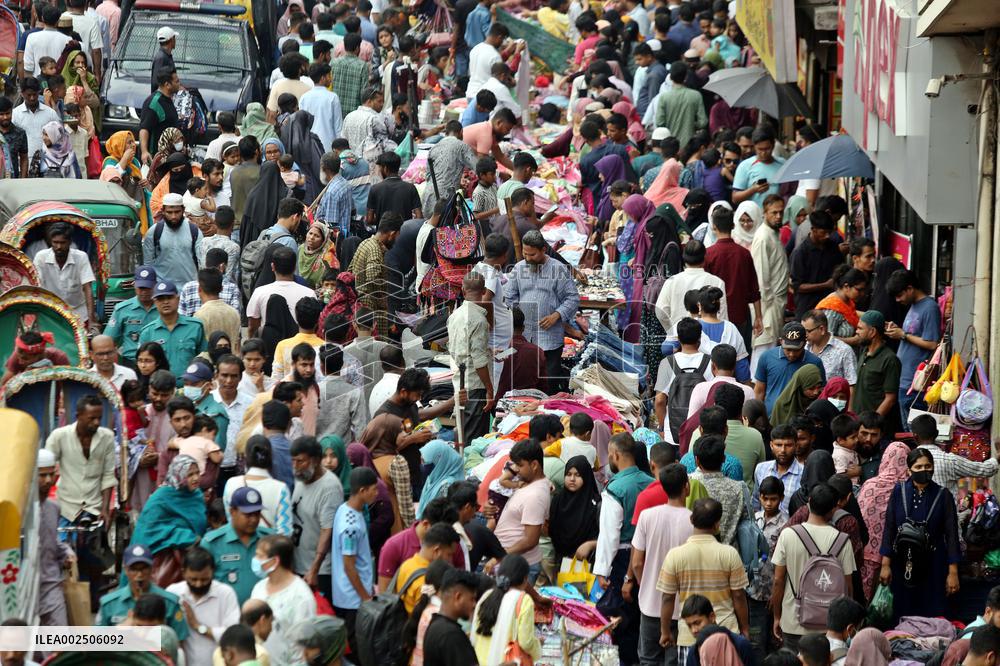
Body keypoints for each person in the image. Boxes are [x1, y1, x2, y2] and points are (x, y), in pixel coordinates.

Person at [657, 498, 749, 662]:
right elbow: (739, 596)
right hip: (726, 631)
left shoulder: (675, 555)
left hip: (689, 636)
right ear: (717, 524)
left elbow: (667, 597)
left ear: (691, 520)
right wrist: (744, 629)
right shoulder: (729, 554)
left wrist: (665, 631)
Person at [772, 483, 856, 652]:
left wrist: (777, 617)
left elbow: (778, 581)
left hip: (793, 620)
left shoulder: (788, 535)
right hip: (829, 626)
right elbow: (848, 587)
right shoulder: (842, 541)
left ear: (809, 502)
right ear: (834, 508)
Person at [630, 463, 693, 666]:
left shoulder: (647, 517)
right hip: (683, 607)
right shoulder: (694, 521)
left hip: (650, 604)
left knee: (648, 659)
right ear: (687, 486)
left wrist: (645, 584)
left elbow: (637, 562)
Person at [504, 230, 579, 393]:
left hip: (550, 338)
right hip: (525, 337)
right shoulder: (518, 268)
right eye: (525, 254)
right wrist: (519, 316)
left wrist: (556, 315)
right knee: (525, 380)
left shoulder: (558, 270)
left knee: (548, 382)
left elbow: (572, 298)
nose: (528, 259)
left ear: (544, 250)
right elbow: (509, 297)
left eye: (532, 255)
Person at [129, 455, 207, 587]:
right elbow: (149, 529)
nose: (195, 478)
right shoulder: (161, 498)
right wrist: (184, 536)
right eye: (190, 475)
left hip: (193, 557)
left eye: (197, 473)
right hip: (162, 558)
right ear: (179, 476)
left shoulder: (196, 495)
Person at [45, 395, 115, 533]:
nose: (96, 422)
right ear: (78, 416)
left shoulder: (107, 437)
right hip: (66, 507)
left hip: (94, 508)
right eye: (91, 418)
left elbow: (108, 476)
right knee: (62, 549)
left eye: (99, 418)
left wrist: (105, 510)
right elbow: (45, 469)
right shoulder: (59, 436)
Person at [331, 467, 379, 653]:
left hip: (355, 593)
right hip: (352, 597)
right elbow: (349, 565)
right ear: (362, 491)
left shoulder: (346, 509)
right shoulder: (349, 525)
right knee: (358, 648)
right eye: (374, 489)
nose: (376, 493)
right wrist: (365, 597)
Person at [165, 547, 240, 666]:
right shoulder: (173, 593)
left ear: (213, 572)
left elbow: (234, 635)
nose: (198, 584)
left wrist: (198, 627)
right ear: (183, 572)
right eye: (193, 579)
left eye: (204, 579)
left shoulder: (225, 593)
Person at [96, 544, 189, 640]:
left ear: (152, 568)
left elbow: (179, 641)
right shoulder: (110, 603)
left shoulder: (169, 602)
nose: (139, 574)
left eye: (144, 568)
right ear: (126, 570)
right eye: (134, 569)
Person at [885, 269, 941, 424]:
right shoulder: (913, 305)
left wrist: (903, 335)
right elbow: (913, 335)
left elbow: (932, 344)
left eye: (899, 295)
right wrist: (898, 331)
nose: (897, 300)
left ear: (910, 288)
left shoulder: (929, 307)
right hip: (904, 380)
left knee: (914, 431)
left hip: (916, 383)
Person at [250, 535, 317, 664]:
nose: (255, 560)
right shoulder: (259, 588)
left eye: (260, 556)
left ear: (275, 561)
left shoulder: (301, 596)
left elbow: (304, 644)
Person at [290, 435, 343, 595]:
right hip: (298, 564)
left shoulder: (329, 488)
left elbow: (328, 529)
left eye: (300, 461)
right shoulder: (302, 477)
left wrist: (314, 568)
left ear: (315, 460)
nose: (295, 466)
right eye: (293, 461)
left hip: (318, 571)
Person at [491, 439, 550, 580]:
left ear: (534, 465)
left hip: (519, 567)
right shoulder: (528, 485)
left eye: (520, 465)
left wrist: (500, 556)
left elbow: (530, 540)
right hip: (512, 563)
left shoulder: (535, 495)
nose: (516, 470)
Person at [910, 413, 1000, 504]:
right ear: (937, 433)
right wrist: (997, 457)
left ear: (915, 436)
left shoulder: (909, 463)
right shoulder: (949, 460)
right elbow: (985, 469)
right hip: (948, 515)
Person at [447, 272, 493, 442]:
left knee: (463, 432)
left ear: (463, 291)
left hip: (459, 381)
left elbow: (459, 348)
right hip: (474, 384)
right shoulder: (479, 320)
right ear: (484, 291)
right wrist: (489, 389)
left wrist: (488, 351)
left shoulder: (454, 316)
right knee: (474, 439)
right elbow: (479, 361)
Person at [470, 555, 542, 664]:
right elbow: (526, 642)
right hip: (505, 662)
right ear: (525, 579)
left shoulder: (487, 595)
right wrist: (538, 648)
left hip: (480, 660)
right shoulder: (523, 600)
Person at [223, 436, 292, 537]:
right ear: (271, 457)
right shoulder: (281, 489)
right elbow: (285, 532)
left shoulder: (231, 483)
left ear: (246, 456)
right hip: (270, 549)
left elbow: (231, 521)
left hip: (238, 546)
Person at [750, 194, 791, 364]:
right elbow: (761, 277)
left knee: (772, 346)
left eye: (781, 212)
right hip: (769, 304)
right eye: (774, 213)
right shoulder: (763, 237)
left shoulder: (773, 234)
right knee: (764, 348)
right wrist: (763, 311)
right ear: (765, 213)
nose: (778, 216)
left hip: (777, 302)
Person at [35, 448, 73, 626]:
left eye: (51, 474)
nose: (48, 480)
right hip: (24, 588)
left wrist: (66, 552)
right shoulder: (18, 512)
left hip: (51, 585)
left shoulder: (53, 508)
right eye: (42, 475)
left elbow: (52, 541)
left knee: (59, 643)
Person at [348, 214, 402, 339]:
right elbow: (373, 279)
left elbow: (350, 270)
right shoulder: (375, 250)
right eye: (398, 235)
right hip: (370, 311)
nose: (397, 239)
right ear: (392, 234)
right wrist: (382, 304)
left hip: (361, 309)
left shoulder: (365, 243)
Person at [754, 322, 825, 416]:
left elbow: (821, 393)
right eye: (788, 349)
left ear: (804, 343)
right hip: (771, 419)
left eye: (796, 350)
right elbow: (759, 391)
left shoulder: (815, 363)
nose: (792, 354)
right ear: (780, 341)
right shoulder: (766, 357)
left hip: (800, 421)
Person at [690, 435, 748, 546]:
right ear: (724, 459)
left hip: (696, 554)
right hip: (730, 555)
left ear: (697, 461)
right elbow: (747, 521)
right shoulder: (739, 488)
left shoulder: (688, 483)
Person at [246, 247, 316, 338]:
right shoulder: (309, 293)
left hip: (269, 346)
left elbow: (252, 326)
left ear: (272, 267)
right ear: (294, 267)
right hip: (299, 348)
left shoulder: (260, 292)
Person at [395, 523, 461, 615]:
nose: (450, 560)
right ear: (437, 550)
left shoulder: (407, 564)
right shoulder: (427, 582)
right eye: (449, 554)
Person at [851, 311, 902, 428]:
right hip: (857, 423)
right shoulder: (864, 352)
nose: (856, 332)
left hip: (874, 429)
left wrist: (872, 424)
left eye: (860, 328)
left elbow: (890, 399)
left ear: (872, 332)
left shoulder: (889, 359)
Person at [421, 569, 481, 666]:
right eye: (472, 599)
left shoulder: (436, 625)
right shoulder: (451, 635)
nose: (474, 605)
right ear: (458, 597)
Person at [789, 211, 843, 318]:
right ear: (813, 230)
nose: (827, 236)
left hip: (829, 305)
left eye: (829, 232)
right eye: (823, 233)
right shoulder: (800, 253)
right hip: (807, 307)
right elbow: (798, 286)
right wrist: (825, 285)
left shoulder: (833, 247)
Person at [549, 455, 601, 563]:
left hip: (587, 562)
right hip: (560, 560)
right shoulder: (558, 500)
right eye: (569, 474)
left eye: (577, 475)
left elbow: (604, 535)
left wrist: (591, 545)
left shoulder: (595, 503)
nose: (572, 479)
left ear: (586, 477)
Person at [732, 126, 786, 206]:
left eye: (767, 149)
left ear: (773, 145)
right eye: (760, 149)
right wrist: (753, 190)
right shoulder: (745, 166)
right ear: (754, 146)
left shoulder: (782, 164)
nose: (763, 153)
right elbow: (735, 198)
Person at [803, 310, 857, 387]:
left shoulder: (844, 351)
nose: (805, 335)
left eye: (808, 331)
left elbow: (852, 384)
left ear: (822, 329)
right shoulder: (803, 348)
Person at [139, 68, 181, 166]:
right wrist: (144, 152)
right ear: (167, 85)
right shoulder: (154, 103)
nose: (179, 83)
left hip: (169, 156)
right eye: (177, 81)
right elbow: (144, 129)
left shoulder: (169, 99)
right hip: (156, 159)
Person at [13, 76, 61, 161]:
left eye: (34, 94)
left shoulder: (50, 113)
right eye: (29, 95)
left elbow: (59, 136)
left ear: (39, 92)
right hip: (24, 162)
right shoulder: (15, 114)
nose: (32, 98)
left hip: (48, 161)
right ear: (22, 94)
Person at [315, 155, 353, 239]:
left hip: (336, 239)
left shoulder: (331, 192)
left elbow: (330, 225)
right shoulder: (345, 183)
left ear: (325, 169)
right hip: (345, 233)